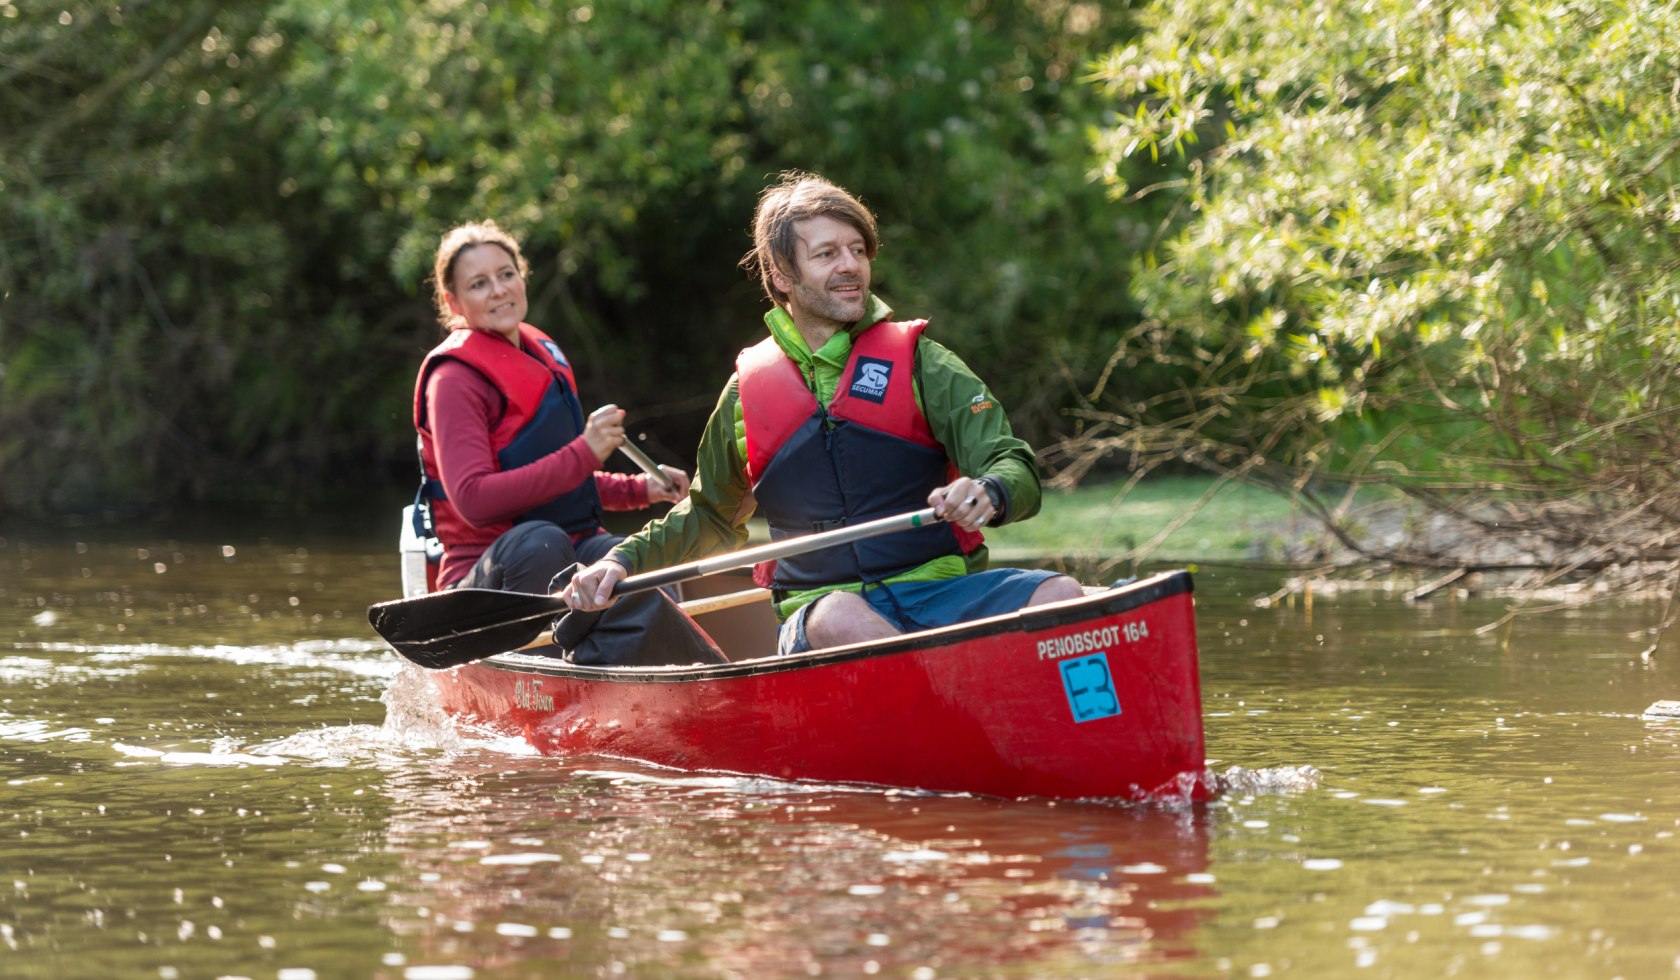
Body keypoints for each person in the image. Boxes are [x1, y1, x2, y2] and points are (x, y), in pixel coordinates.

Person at [562, 171, 1083, 655]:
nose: (851, 265)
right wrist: (618, 560)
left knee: (1061, 591)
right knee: (842, 614)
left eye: (858, 250)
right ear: (781, 275)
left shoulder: (927, 363)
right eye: (828, 253)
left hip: (941, 593)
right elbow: (707, 517)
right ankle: (958, 715)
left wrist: (991, 490)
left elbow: (1012, 464)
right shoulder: (746, 393)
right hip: (819, 613)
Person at [413, 219, 691, 596]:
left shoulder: (543, 356)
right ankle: (555, 646)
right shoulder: (453, 380)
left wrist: (641, 489)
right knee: (541, 543)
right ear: (453, 302)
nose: (498, 291)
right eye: (479, 284)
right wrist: (585, 451)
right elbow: (474, 500)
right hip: (489, 568)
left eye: (506, 274)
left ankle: (643, 651)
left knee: (629, 559)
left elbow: (558, 481)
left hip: (570, 545)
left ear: (522, 278)